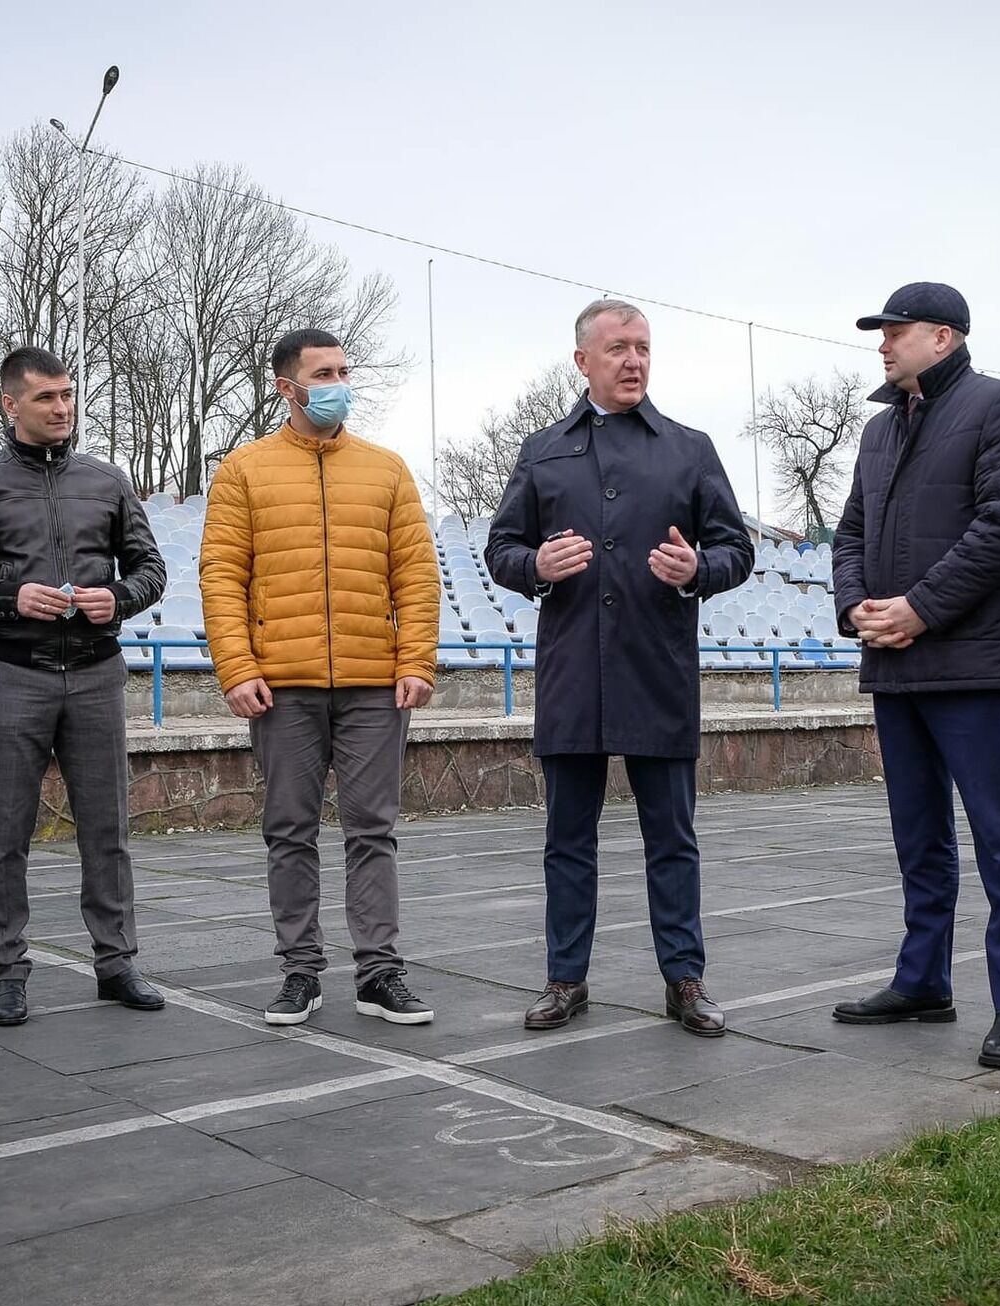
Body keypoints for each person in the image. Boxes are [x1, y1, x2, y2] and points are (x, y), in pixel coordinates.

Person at [486, 300, 753, 1037]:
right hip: (574, 674)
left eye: (643, 348)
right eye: (617, 349)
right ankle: (565, 978)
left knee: (672, 838)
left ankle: (685, 980)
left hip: (657, 670)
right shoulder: (542, 451)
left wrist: (699, 567)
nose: (633, 361)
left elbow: (738, 550)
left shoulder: (688, 449)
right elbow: (501, 549)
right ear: (582, 362)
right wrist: (535, 564)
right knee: (567, 839)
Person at [827, 282, 1000, 1070]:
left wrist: (920, 608)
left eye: (897, 331)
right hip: (894, 664)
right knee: (919, 840)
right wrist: (856, 605)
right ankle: (922, 982)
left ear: (945, 338)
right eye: (881, 333)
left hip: (967, 664)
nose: (883, 344)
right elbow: (849, 529)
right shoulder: (880, 430)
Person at [200, 328, 440, 1026]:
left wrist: (415, 659)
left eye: (343, 370)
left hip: (373, 683)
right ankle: (300, 972)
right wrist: (237, 667)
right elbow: (221, 577)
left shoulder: (387, 469)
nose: (340, 383)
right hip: (283, 684)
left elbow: (417, 575)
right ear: (287, 387)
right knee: (290, 831)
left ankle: (379, 973)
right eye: (324, 373)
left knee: (373, 830)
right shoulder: (243, 471)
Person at [0, 346, 167, 1026]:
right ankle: (7, 970)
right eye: (46, 398)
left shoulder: (109, 481)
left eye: (67, 395)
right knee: (4, 833)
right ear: (10, 405)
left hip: (95, 673)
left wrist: (115, 597)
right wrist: (8, 597)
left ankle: (116, 962)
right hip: (13, 676)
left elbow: (151, 571)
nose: (62, 408)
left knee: (108, 830)